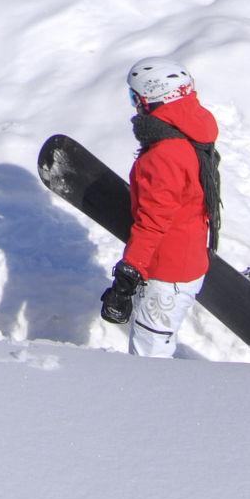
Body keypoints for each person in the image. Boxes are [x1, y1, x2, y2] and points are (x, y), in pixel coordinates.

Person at [98, 57, 221, 358]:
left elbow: (152, 224)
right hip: (187, 261)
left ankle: (157, 406)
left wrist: (126, 279)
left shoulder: (164, 155)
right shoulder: (193, 132)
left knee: (149, 363)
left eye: (134, 97)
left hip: (168, 274)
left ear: (151, 98)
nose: (134, 105)